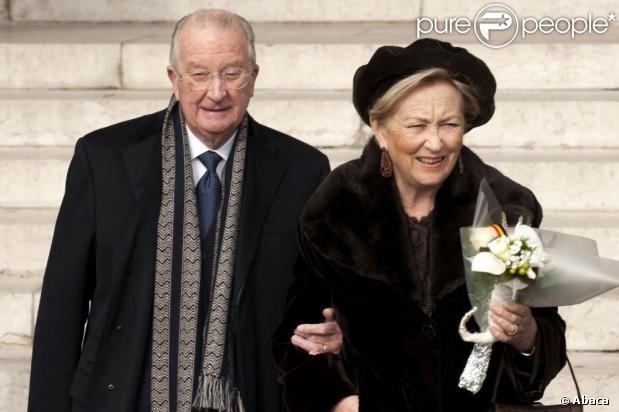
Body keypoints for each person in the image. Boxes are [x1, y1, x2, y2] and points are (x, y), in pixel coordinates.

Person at [27, 9, 332, 412]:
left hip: (249, 396)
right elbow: (61, 309)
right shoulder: (103, 159)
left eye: (232, 73)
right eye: (200, 74)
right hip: (124, 395)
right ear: (174, 79)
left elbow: (318, 300)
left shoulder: (302, 170)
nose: (217, 92)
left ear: (254, 78)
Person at [273, 38, 567, 411]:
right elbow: (294, 341)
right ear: (379, 128)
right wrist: (341, 401)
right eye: (416, 125)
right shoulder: (332, 213)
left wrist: (527, 334)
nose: (435, 142)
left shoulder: (508, 209)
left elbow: (548, 338)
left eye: (449, 124)